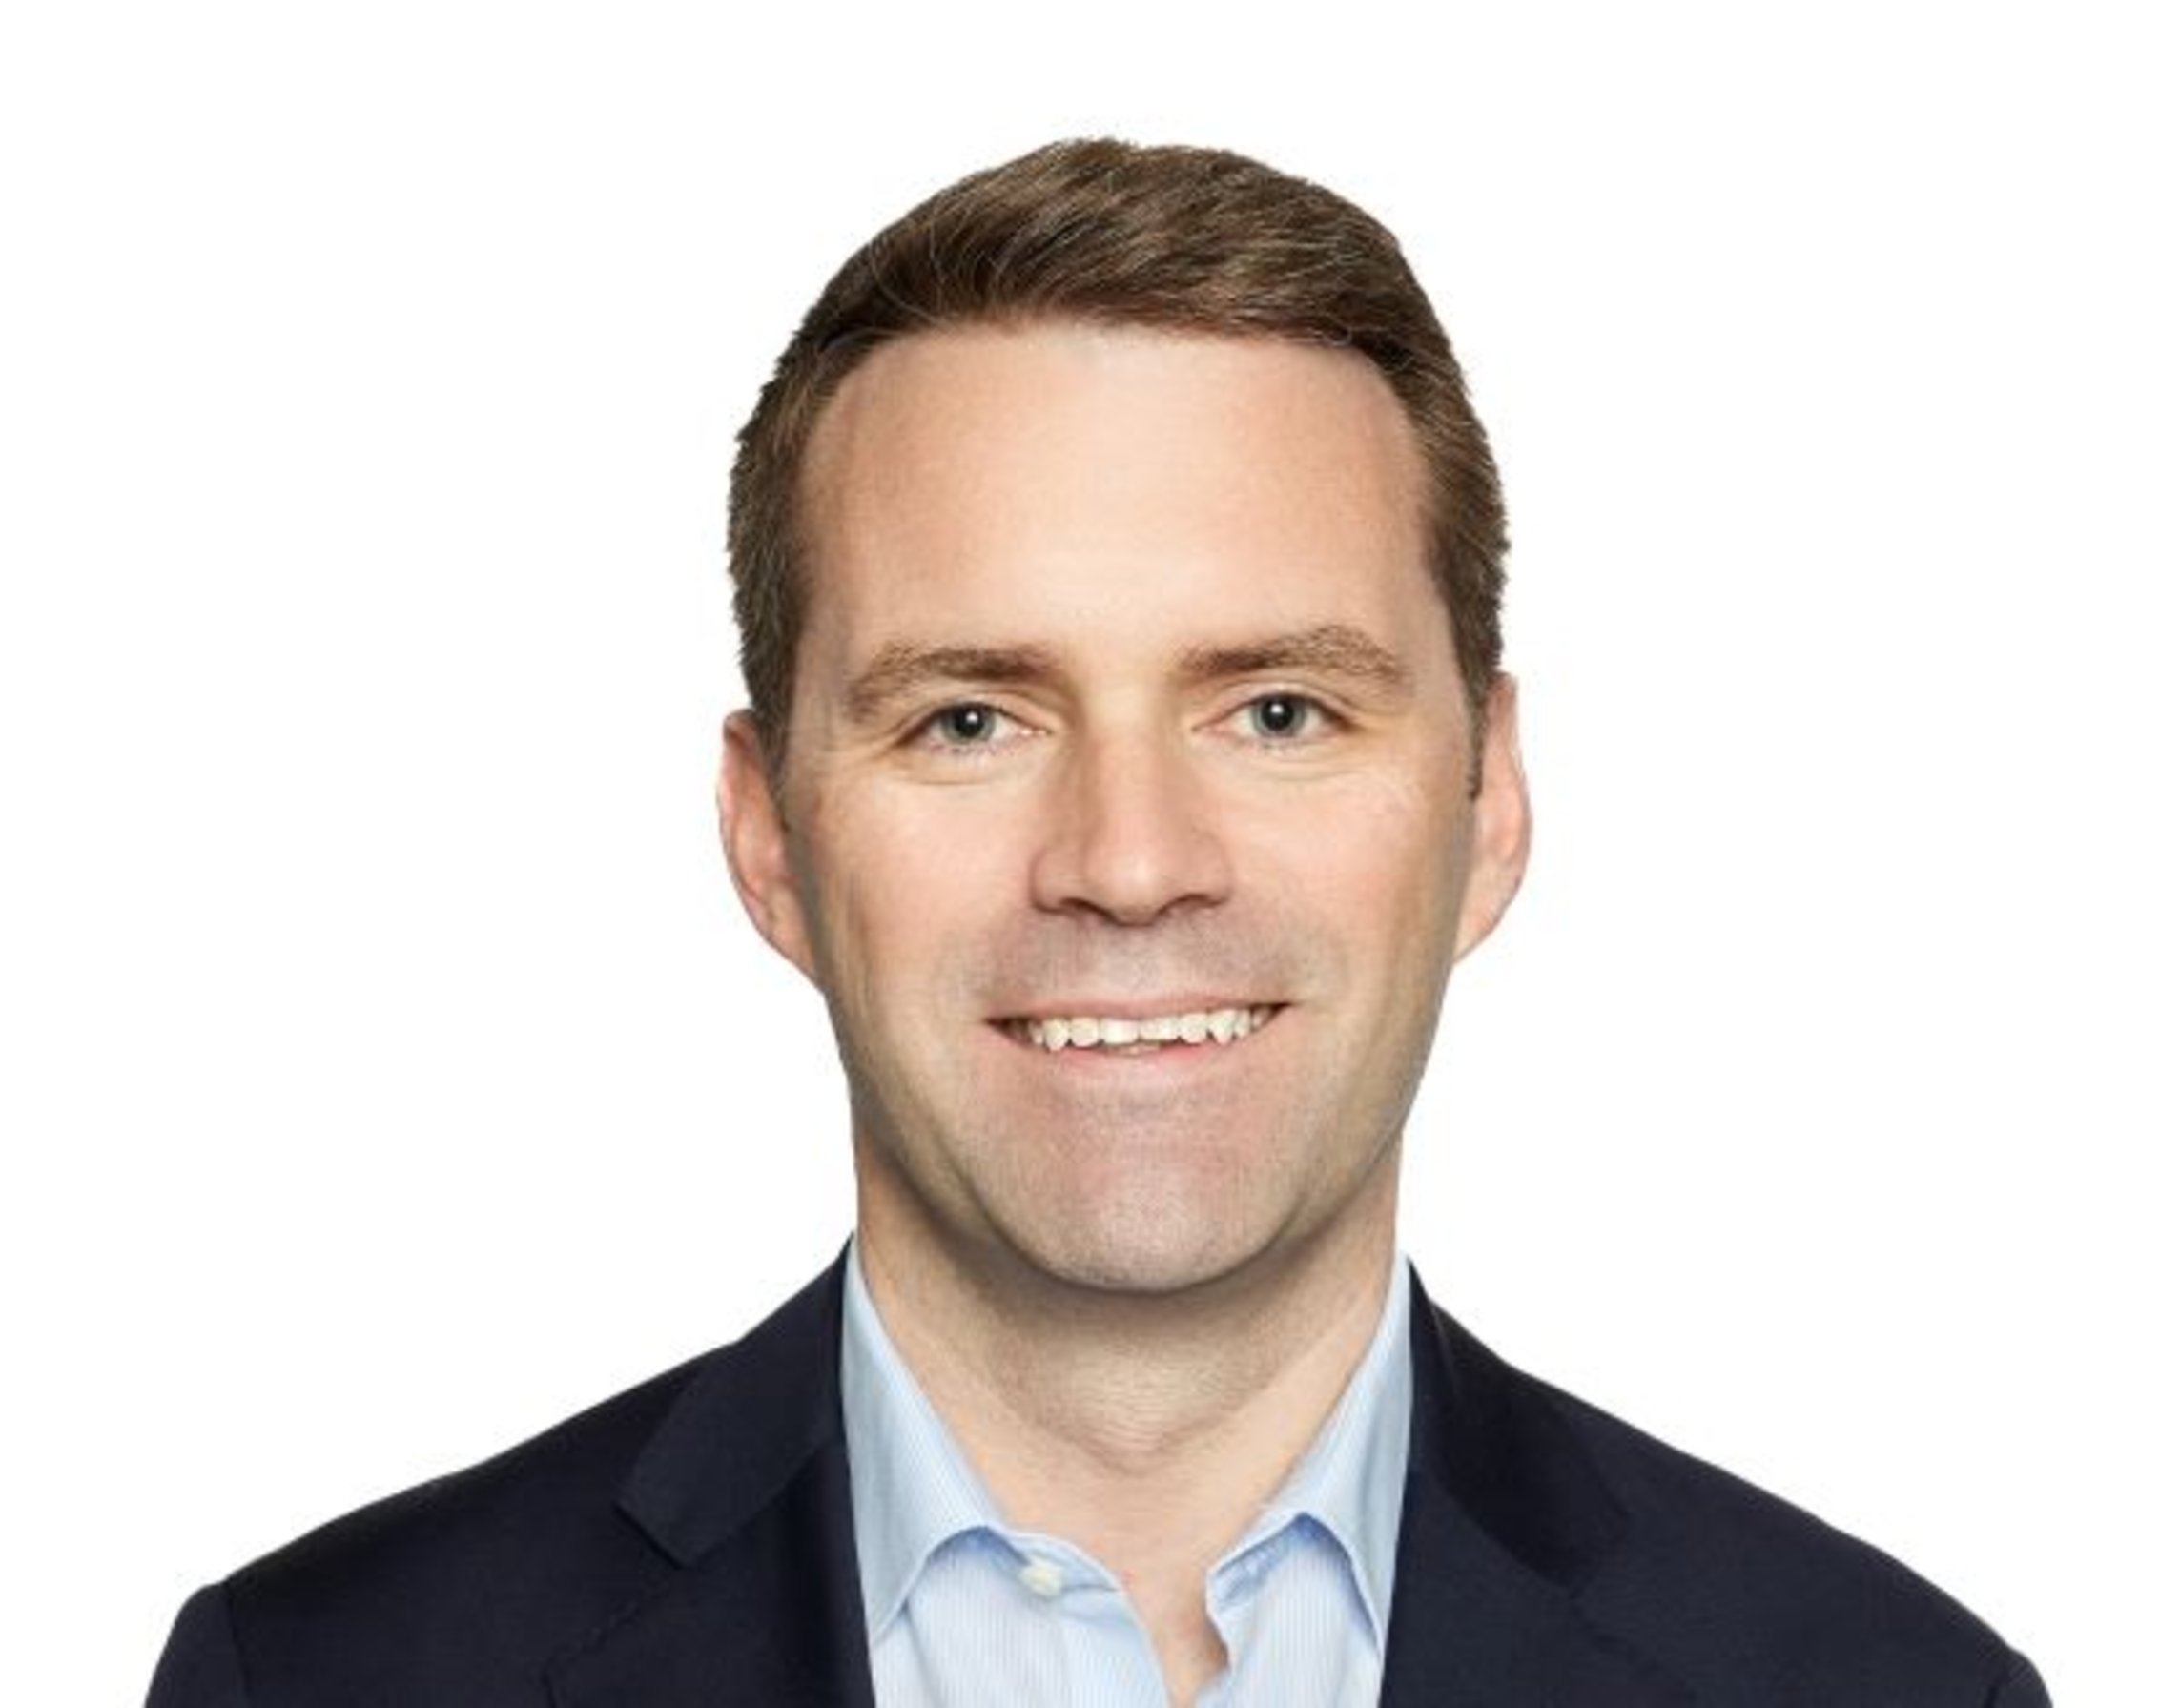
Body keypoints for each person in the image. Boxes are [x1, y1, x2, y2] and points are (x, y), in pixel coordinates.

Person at [147, 138, 2048, 1706]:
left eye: (1277, 711)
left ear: (1487, 807)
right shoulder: (319, 1680)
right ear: (768, 836)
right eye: (971, 719)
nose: (1130, 862)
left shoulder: (1887, 1690)